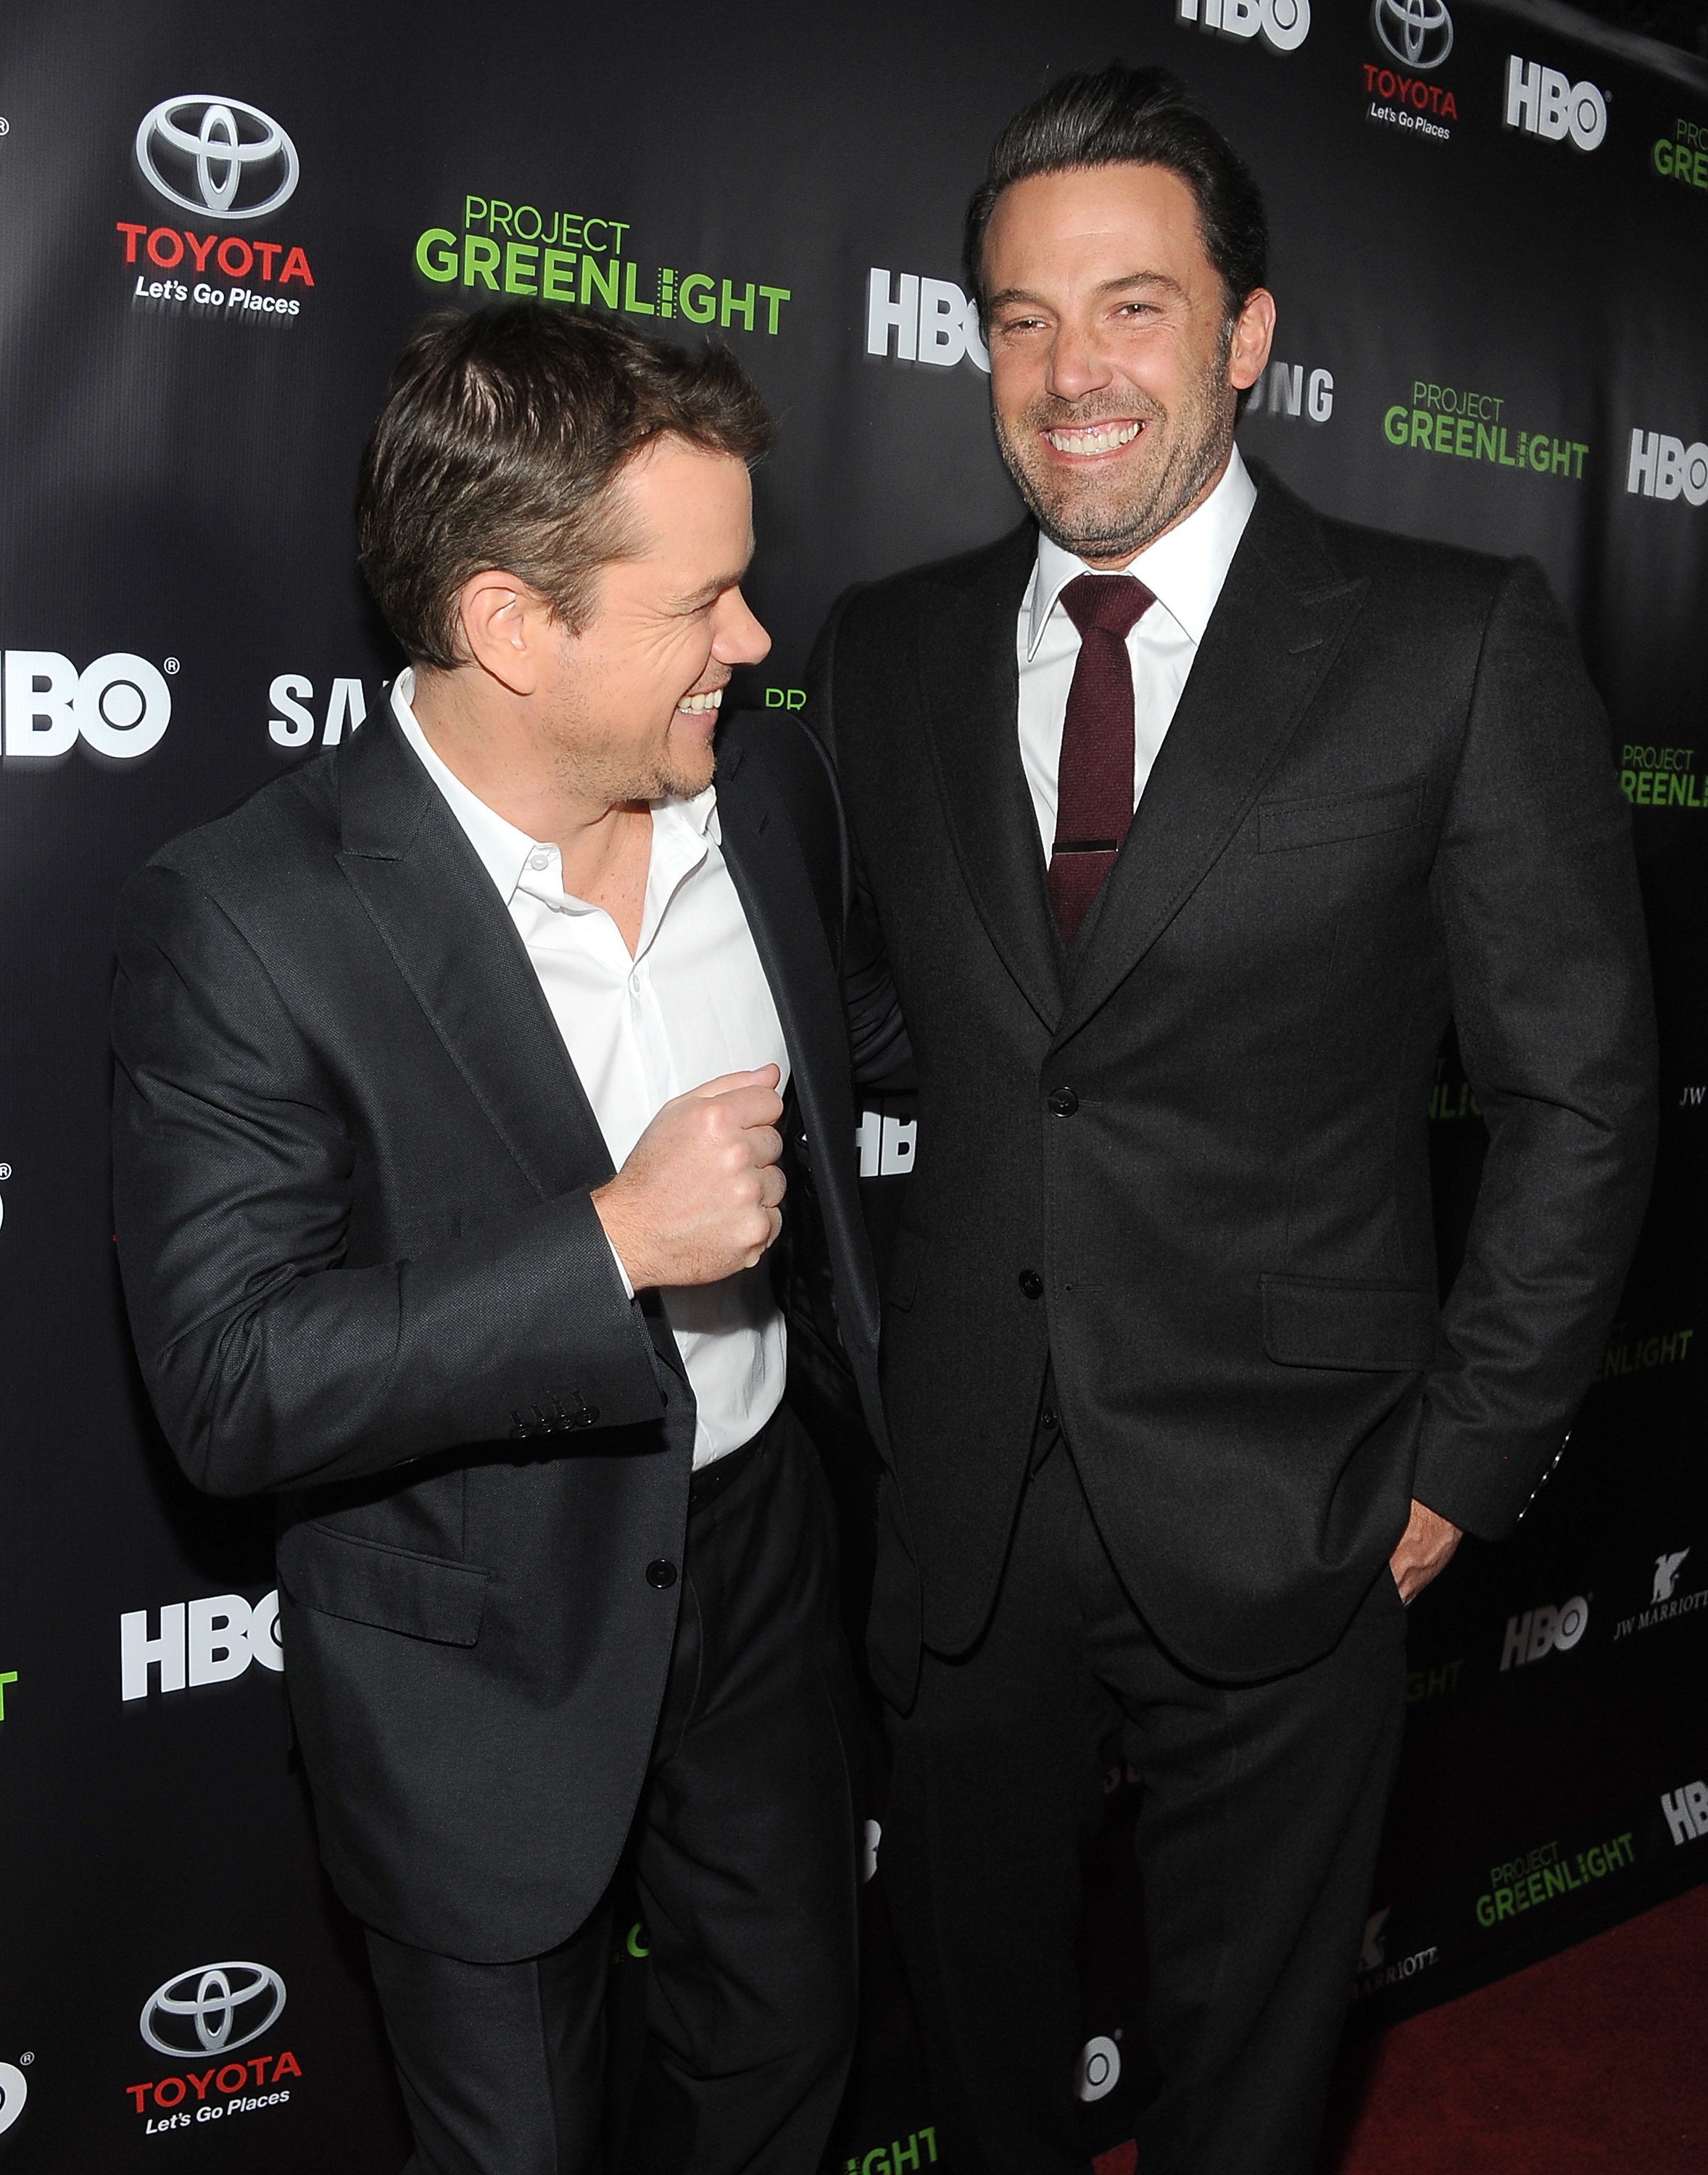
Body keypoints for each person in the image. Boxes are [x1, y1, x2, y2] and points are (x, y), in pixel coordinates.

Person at [808, 64, 1657, 2175]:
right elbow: (910, 1027)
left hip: (1301, 1502)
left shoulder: (1449, 647)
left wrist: (1459, 1464)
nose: (1068, 372)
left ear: (1246, 334)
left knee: (1248, 2096)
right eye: (1018, 317)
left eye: (1131, 308)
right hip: (963, 1510)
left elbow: (1578, 1097)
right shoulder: (887, 653)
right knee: (976, 2055)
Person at [112, 303, 900, 2175]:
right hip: (477, 1642)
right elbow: (232, 1382)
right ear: (509, 626)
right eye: (700, 603)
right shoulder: (247, 919)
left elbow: (876, 1036)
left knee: (781, 2061)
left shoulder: (766, 791)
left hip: (759, 1557)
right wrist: (613, 1239)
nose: (755, 641)